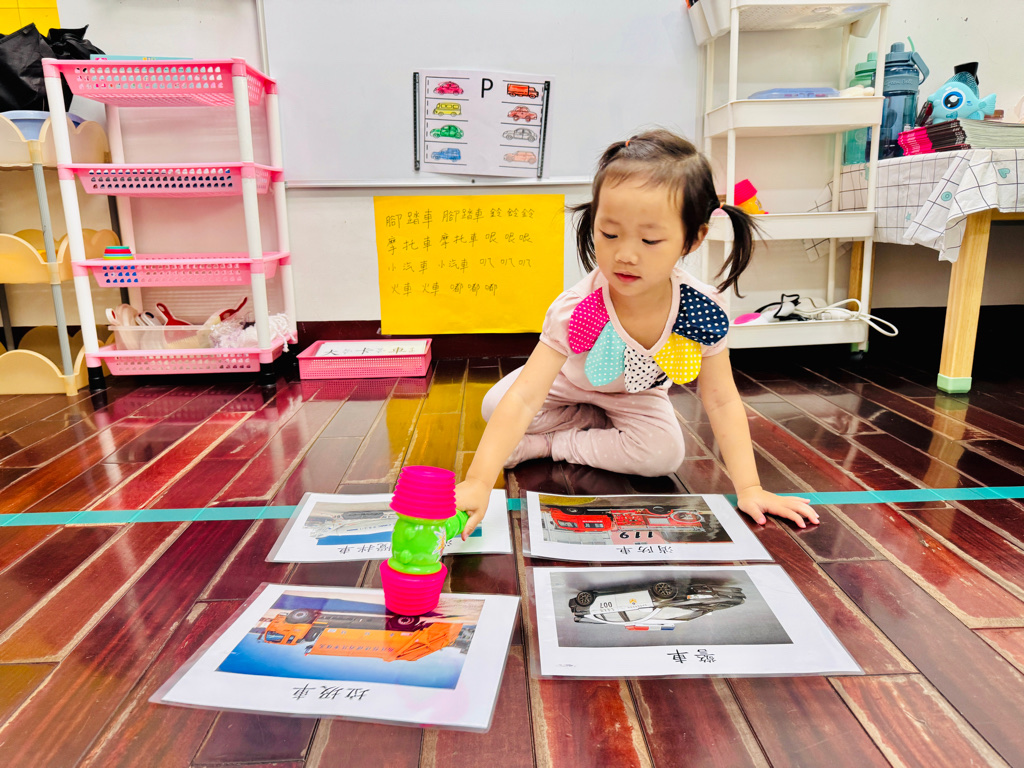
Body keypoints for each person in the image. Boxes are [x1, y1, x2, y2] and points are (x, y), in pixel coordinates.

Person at [455, 129, 818, 537]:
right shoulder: (575, 307)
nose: (625, 254)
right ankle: (587, 418)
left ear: (693, 238)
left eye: (650, 239)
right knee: (495, 405)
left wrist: (750, 488)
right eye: (609, 234)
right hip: (568, 385)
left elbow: (720, 399)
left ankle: (551, 444)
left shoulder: (701, 310)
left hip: (636, 396)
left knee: (664, 455)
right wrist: (478, 481)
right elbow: (525, 396)